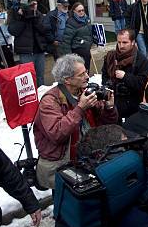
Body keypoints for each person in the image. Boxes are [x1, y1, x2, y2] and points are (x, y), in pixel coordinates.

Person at [33, 54, 118, 188]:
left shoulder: (85, 91)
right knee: (68, 200)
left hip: (89, 157)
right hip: (64, 163)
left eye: (86, 72)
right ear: (67, 80)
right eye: (81, 74)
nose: (87, 77)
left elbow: (107, 124)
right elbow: (57, 134)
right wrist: (80, 108)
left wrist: (109, 107)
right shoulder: (50, 101)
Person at [101, 29, 148, 120]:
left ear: (133, 42)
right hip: (114, 102)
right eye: (119, 42)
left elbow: (144, 83)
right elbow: (104, 75)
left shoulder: (141, 60)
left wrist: (125, 77)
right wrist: (109, 85)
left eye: (125, 42)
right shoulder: (110, 57)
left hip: (133, 106)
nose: (121, 46)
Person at [8, 0, 50, 86]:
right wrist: (22, 18)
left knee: (40, 77)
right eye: (30, 6)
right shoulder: (17, 15)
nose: (32, 8)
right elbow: (13, 31)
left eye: (34, 5)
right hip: (26, 52)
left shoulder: (38, 14)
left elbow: (44, 29)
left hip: (39, 50)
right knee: (28, 78)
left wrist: (35, 17)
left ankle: (41, 96)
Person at [59, 2, 94, 72]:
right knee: (79, 72)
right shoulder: (71, 22)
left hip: (86, 50)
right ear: (74, 11)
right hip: (77, 51)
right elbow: (66, 41)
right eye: (79, 11)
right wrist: (69, 57)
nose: (81, 12)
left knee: (86, 70)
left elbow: (89, 33)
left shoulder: (87, 19)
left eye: (83, 10)